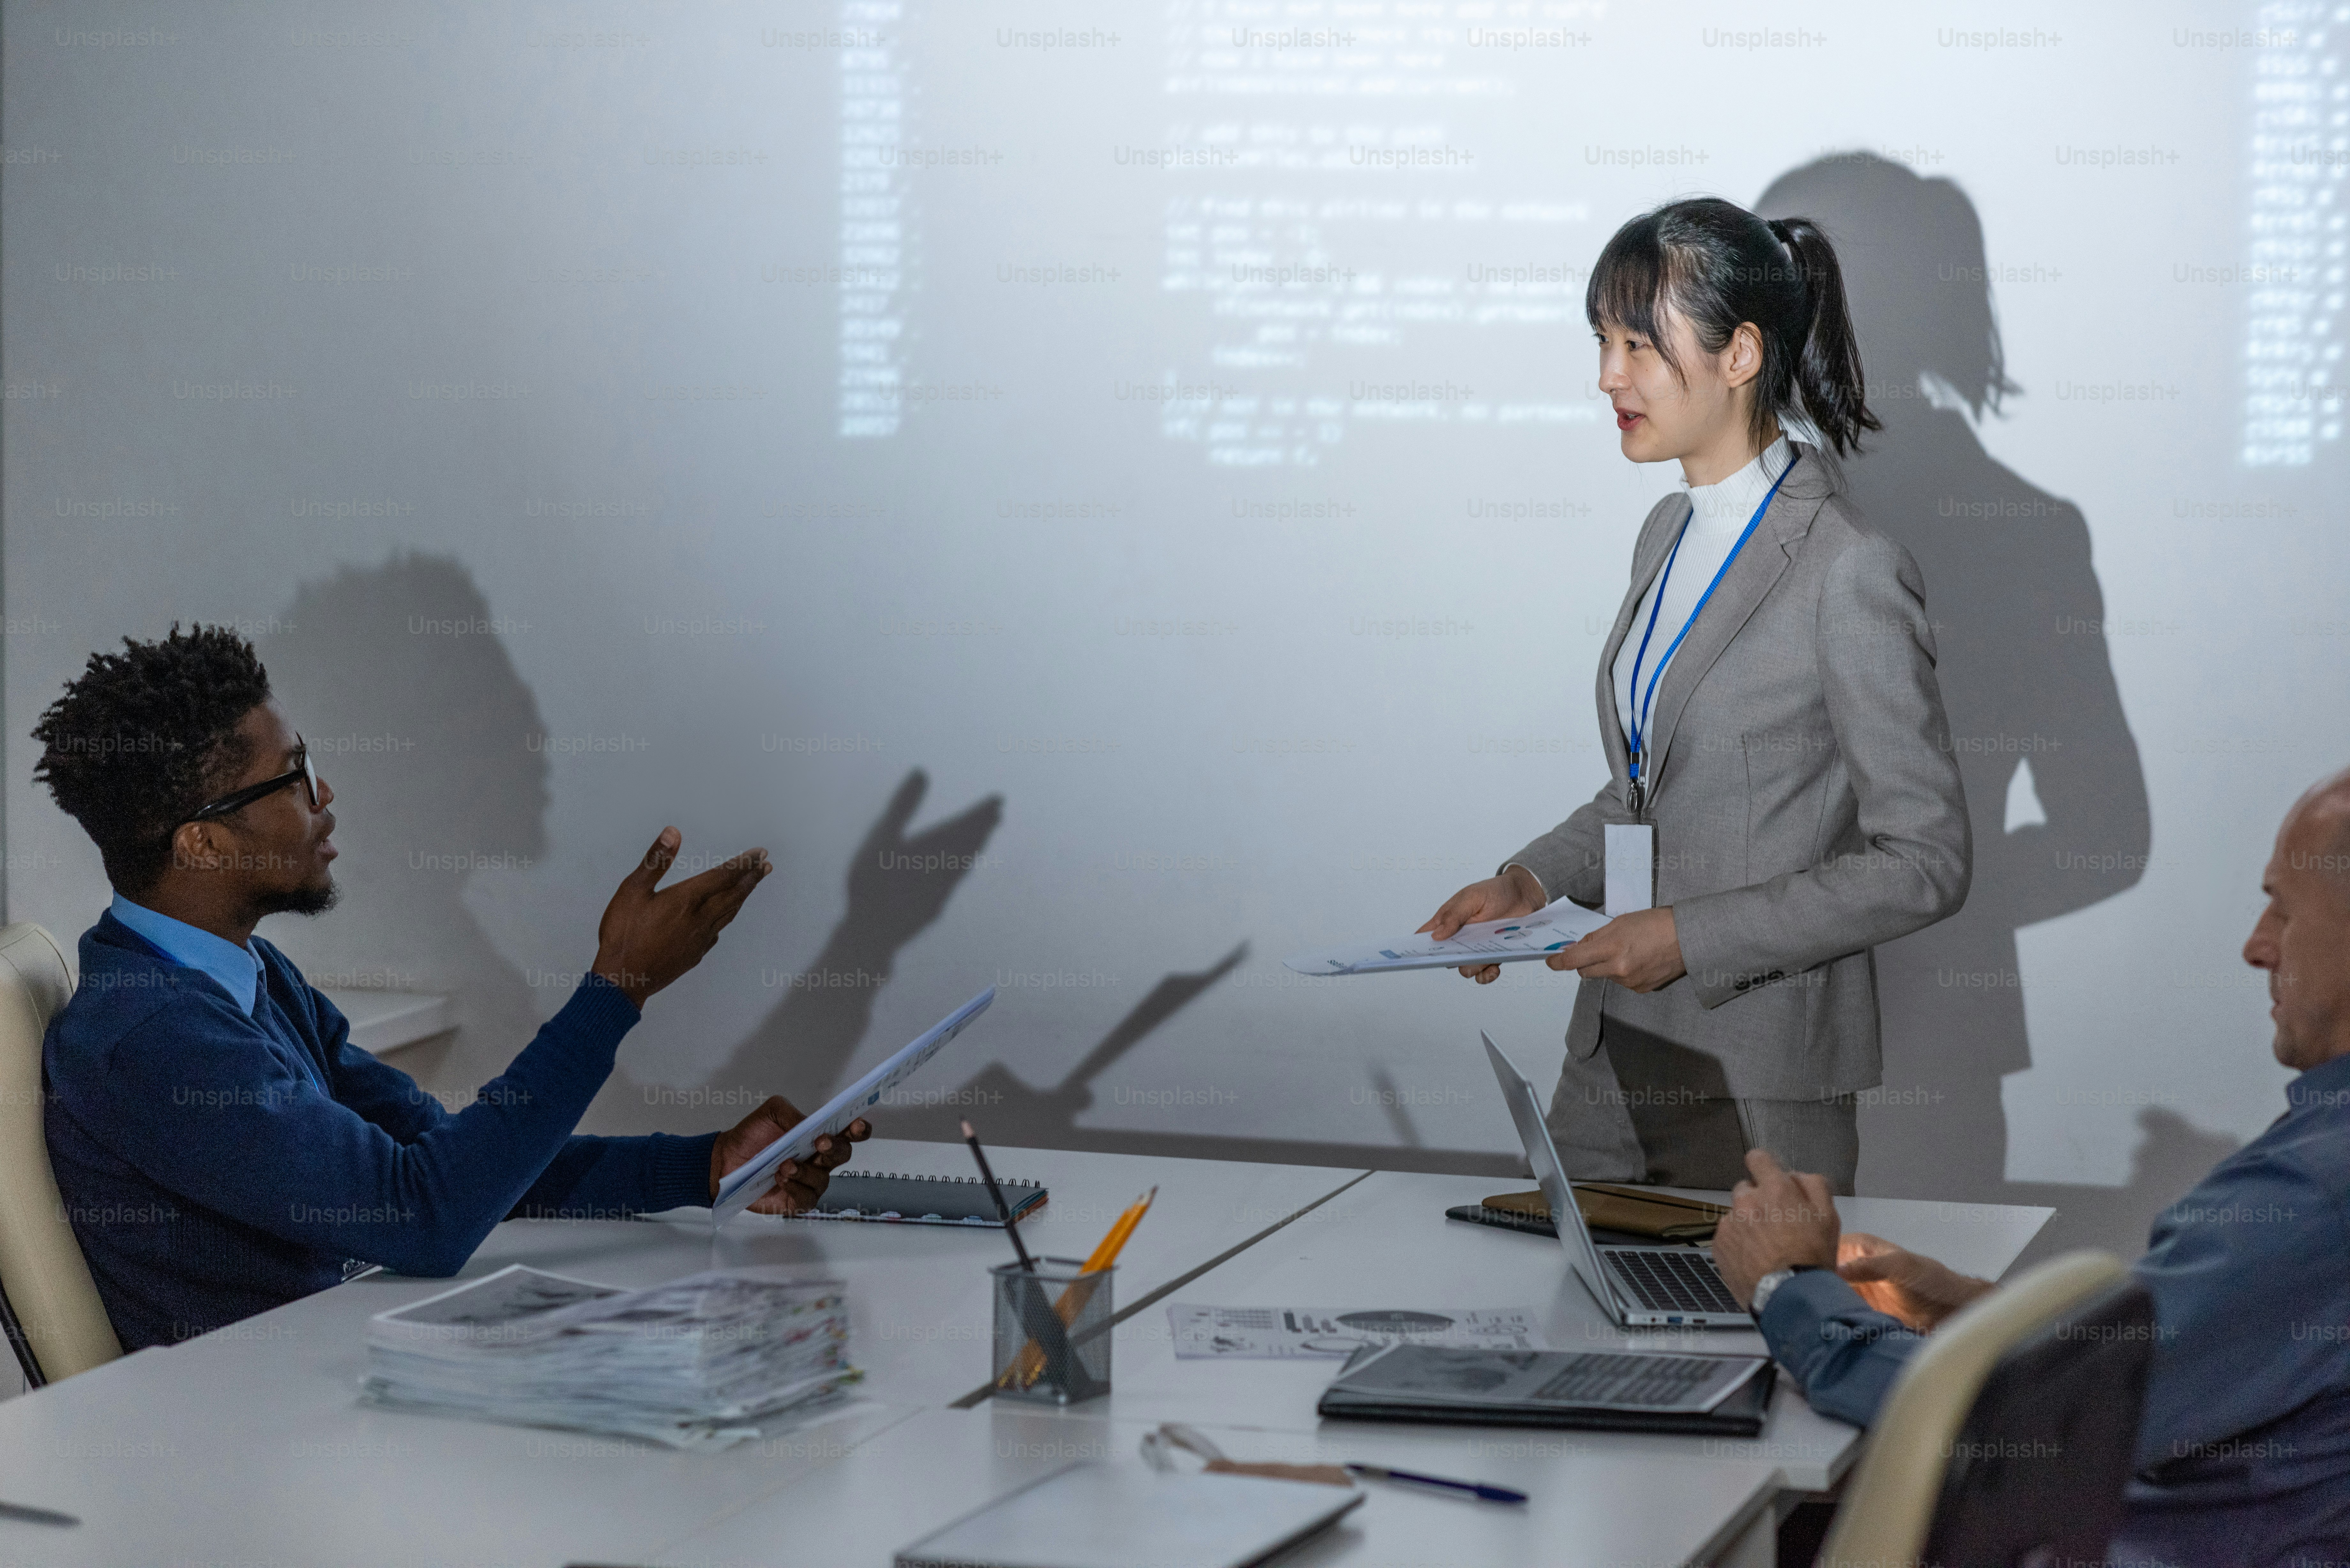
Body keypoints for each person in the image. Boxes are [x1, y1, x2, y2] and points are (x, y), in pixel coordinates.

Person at [33, 626, 871, 1350]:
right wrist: (615, 989)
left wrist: (707, 1167)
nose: (324, 795)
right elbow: (423, 1216)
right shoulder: (150, 1038)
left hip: (331, 1381)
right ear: (205, 846)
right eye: (293, 777)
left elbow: (451, 1164)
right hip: (262, 1446)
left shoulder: (247, 979)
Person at [1421, 196, 1970, 1193]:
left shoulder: (1850, 569)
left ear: (1741, 353)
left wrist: (1689, 936)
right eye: (1601, 340)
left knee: (1749, 1350)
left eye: (1638, 342)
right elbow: (1648, 786)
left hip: (1754, 1076)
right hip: (1610, 1055)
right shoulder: (1665, 533)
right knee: (1569, 1331)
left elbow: (1924, 862)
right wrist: (1531, 883)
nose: (1607, 376)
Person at [1710, 768, 2350, 1564]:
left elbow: (2010, 1433)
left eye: (2282, 909)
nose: (2256, 945)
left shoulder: (2316, 1195)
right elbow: (2183, 1365)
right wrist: (1972, 1313)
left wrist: (1785, 1290)